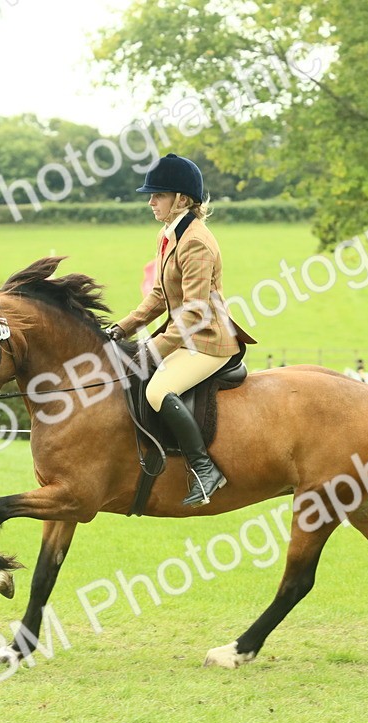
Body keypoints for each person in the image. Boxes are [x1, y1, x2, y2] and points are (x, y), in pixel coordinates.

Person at [107, 154, 256, 507]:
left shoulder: (196, 242)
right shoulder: (170, 233)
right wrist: (122, 328)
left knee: (158, 390)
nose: (150, 201)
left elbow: (194, 312)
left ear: (182, 200)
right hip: (188, 334)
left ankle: (206, 470)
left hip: (208, 340)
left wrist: (153, 348)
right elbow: (160, 294)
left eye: (158, 195)